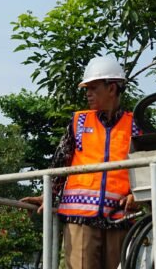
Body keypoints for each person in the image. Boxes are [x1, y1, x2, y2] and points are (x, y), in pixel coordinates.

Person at [20, 56, 139, 269]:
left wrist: (138, 195)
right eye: (87, 88)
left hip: (120, 218)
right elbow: (60, 162)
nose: (88, 93)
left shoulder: (134, 125)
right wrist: (48, 195)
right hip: (80, 219)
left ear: (112, 89)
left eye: (93, 88)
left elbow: (146, 166)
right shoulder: (79, 122)